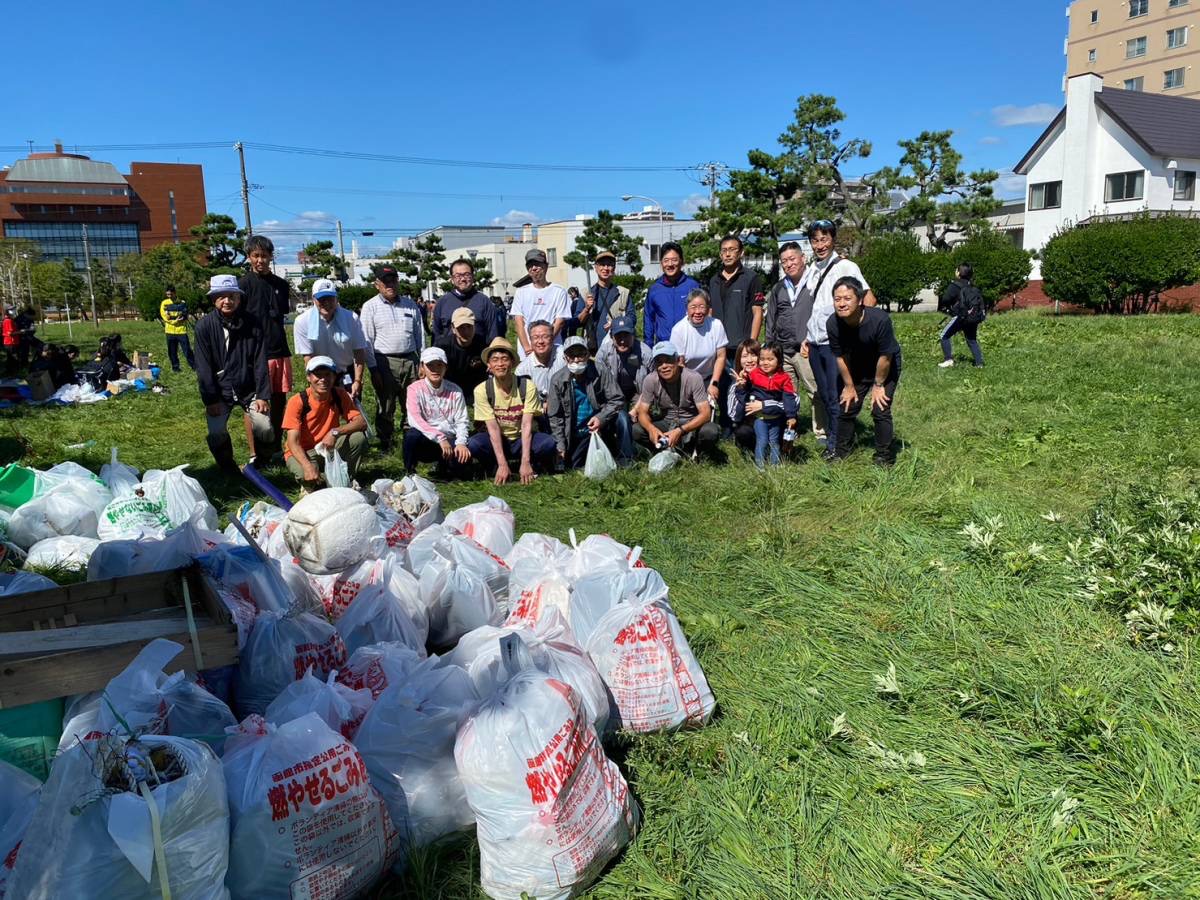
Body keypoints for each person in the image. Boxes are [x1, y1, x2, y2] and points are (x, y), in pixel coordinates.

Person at [802, 220, 876, 458]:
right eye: (815, 240)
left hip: (835, 343)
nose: (819, 245)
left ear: (833, 239)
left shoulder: (846, 266)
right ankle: (837, 438)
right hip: (815, 342)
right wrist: (807, 336)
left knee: (836, 395)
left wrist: (855, 334)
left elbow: (868, 299)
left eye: (824, 239)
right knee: (825, 395)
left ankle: (839, 445)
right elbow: (816, 308)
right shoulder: (814, 269)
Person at [194, 274, 273, 472]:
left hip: (249, 387)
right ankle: (227, 467)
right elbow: (203, 367)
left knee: (264, 426)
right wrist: (210, 400)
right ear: (214, 300)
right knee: (216, 431)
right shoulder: (204, 326)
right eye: (221, 296)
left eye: (232, 296)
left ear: (239, 298)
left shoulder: (252, 323)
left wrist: (263, 395)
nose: (227, 301)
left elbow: (260, 360)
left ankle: (262, 461)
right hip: (220, 390)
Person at [827, 276, 901, 466]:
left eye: (847, 298)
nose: (841, 304)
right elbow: (840, 357)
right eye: (837, 299)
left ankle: (884, 456)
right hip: (857, 366)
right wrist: (849, 386)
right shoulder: (833, 323)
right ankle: (842, 453)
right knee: (847, 405)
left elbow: (886, 357)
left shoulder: (880, 320)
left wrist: (878, 385)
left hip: (885, 366)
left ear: (860, 300)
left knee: (880, 408)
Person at [468, 337, 557, 484]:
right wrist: (503, 463)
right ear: (489, 365)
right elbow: (492, 428)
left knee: (548, 443)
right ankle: (495, 465)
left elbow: (527, 424)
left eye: (504, 359)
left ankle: (530, 465)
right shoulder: (482, 390)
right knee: (474, 444)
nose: (500, 364)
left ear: (512, 363)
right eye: (495, 360)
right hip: (498, 438)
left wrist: (525, 461)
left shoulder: (527, 386)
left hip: (521, 438)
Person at [360, 264, 426, 452]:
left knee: (412, 403)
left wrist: (422, 362)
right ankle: (385, 442)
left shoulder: (410, 304)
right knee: (386, 404)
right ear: (377, 284)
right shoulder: (370, 307)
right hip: (384, 361)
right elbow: (367, 341)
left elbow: (420, 335)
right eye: (385, 281)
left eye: (393, 280)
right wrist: (373, 369)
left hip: (411, 360)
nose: (390, 285)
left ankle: (410, 439)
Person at [766, 241, 827, 444]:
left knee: (814, 390)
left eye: (792, 259)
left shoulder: (815, 282)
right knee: (787, 392)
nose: (788, 264)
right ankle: (790, 428)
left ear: (803, 258)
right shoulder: (779, 288)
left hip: (806, 349)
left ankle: (821, 431)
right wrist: (769, 348)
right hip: (783, 350)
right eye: (784, 261)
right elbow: (771, 319)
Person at [238, 235, 293, 458]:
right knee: (254, 403)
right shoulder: (243, 285)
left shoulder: (281, 285)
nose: (260, 260)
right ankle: (255, 452)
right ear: (249, 258)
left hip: (279, 350)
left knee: (280, 401)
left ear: (271, 257)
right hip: (254, 354)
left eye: (264, 255)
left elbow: (282, 315)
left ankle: (276, 447)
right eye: (256, 256)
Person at [281, 355, 368, 490]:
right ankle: (319, 482)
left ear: (334, 377)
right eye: (317, 375)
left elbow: (361, 422)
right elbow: (293, 442)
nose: (323, 379)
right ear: (308, 377)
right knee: (308, 476)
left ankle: (344, 480)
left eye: (327, 374)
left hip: (328, 446)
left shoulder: (340, 394)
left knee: (358, 438)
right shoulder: (297, 401)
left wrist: (335, 432)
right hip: (304, 451)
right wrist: (308, 466)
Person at [547, 336, 627, 468]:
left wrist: (601, 418)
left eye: (580, 354)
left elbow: (617, 399)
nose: (577, 359)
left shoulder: (600, 370)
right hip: (574, 432)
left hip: (600, 426)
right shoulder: (557, 380)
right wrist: (560, 446)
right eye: (572, 355)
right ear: (565, 358)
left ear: (588, 354)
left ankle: (626, 458)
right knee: (572, 465)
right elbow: (555, 416)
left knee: (623, 417)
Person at [633, 341, 719, 458]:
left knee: (711, 431)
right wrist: (651, 428)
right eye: (659, 362)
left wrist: (681, 430)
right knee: (636, 430)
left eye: (668, 360)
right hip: (667, 422)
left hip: (691, 424)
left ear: (678, 360)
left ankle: (697, 452)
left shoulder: (693, 378)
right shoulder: (650, 380)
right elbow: (642, 412)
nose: (664, 366)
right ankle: (659, 450)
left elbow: (705, 414)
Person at [292, 278, 368, 400]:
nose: (326, 302)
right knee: (323, 413)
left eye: (330, 298)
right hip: (319, 373)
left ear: (336, 299)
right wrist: (316, 381)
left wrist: (358, 380)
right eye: (321, 299)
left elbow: (359, 351)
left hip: (346, 371)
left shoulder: (351, 318)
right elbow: (308, 357)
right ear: (313, 299)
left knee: (354, 411)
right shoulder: (302, 321)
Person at [402, 346, 473, 477]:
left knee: (462, 468)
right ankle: (409, 470)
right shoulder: (414, 389)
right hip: (428, 439)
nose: (435, 370)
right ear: (422, 367)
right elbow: (415, 419)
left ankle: (445, 466)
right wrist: (439, 438)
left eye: (439, 365)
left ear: (445, 367)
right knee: (411, 435)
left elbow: (462, 420)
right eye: (430, 365)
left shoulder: (455, 390)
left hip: (450, 439)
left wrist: (461, 443)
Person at [735, 341, 797, 469]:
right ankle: (760, 466)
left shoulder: (784, 378)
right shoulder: (754, 374)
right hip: (760, 419)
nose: (765, 362)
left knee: (774, 442)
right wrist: (742, 383)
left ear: (779, 361)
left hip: (775, 418)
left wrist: (791, 416)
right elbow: (744, 392)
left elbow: (789, 398)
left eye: (770, 359)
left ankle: (775, 465)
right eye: (762, 359)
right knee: (762, 441)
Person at [669, 289, 728, 413]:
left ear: (707, 309)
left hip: (710, 377)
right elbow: (680, 363)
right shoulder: (678, 330)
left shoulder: (716, 325)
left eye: (702, 307)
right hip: (687, 378)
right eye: (693, 307)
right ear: (687, 309)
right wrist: (693, 387)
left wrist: (714, 383)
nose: (697, 311)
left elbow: (721, 357)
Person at [510, 249, 570, 360]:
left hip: (553, 349)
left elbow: (560, 321)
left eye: (537, 264)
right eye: (530, 266)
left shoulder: (559, 291)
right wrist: (527, 348)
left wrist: (546, 344)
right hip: (527, 351)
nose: (534, 268)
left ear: (546, 266)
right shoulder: (521, 292)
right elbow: (518, 322)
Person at [643, 242, 700, 346]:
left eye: (674, 260)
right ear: (661, 264)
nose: (670, 264)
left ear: (682, 262)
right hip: (664, 346)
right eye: (666, 260)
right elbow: (649, 319)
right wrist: (648, 344)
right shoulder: (655, 289)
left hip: (689, 344)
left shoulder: (692, 286)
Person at [431, 259, 500, 344]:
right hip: (449, 355)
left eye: (467, 275)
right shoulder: (442, 302)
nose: (463, 279)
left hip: (477, 354)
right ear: (452, 279)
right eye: (458, 276)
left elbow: (493, 333)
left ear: (473, 276)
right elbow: (436, 334)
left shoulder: (484, 301)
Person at [938, 263, 985, 368]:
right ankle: (979, 363)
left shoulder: (955, 285)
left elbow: (945, 299)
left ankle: (948, 360)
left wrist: (951, 308)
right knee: (972, 340)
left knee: (944, 336)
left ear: (958, 273)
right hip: (972, 317)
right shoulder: (972, 286)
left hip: (960, 316)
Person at [435, 306, 488, 396]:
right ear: (453, 328)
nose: (466, 331)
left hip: (477, 392)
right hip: (449, 392)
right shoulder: (442, 347)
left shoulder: (483, 345)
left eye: (469, 326)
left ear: (474, 326)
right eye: (461, 327)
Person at [586, 250, 631, 351]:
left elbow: (632, 318)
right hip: (593, 350)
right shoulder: (586, 293)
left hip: (619, 348)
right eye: (602, 264)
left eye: (609, 265)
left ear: (614, 268)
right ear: (596, 268)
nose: (606, 268)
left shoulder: (623, 293)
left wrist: (616, 323)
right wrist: (586, 309)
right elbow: (576, 322)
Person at [515, 319, 564, 403]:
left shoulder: (564, 356)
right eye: (535, 337)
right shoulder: (522, 370)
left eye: (545, 337)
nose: (540, 341)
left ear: (552, 338)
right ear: (530, 340)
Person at [727, 339, 761, 455]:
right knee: (742, 432)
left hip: (770, 423)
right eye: (745, 356)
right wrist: (741, 390)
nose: (749, 360)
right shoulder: (735, 385)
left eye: (753, 355)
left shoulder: (770, 378)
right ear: (739, 359)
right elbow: (735, 417)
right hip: (748, 426)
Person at [159, 285, 195, 373]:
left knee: (187, 350)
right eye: (167, 295)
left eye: (171, 294)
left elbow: (185, 314)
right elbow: (165, 318)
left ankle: (194, 366)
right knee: (172, 351)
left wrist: (182, 318)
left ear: (175, 293)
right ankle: (175, 367)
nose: (169, 296)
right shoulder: (164, 303)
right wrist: (175, 321)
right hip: (169, 331)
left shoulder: (182, 302)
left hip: (181, 331)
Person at [3, 308, 21, 374]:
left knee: (11, 358)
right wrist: (21, 332)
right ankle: (12, 372)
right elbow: (10, 333)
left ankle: (10, 371)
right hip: (10, 342)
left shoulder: (9, 320)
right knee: (13, 357)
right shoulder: (8, 321)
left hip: (10, 342)